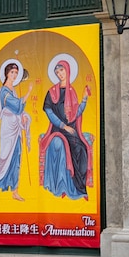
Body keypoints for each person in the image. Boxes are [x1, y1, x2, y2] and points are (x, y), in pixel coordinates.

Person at [39, 57, 93, 200]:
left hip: (71, 129)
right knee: (70, 147)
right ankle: (64, 187)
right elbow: (49, 112)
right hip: (58, 129)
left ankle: (80, 189)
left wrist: (84, 99)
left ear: (67, 71)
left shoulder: (72, 91)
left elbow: (76, 113)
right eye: (57, 71)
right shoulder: (51, 92)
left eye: (61, 70)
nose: (60, 73)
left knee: (82, 149)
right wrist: (64, 126)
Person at [0, 61, 32, 205]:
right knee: (4, 157)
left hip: (16, 127)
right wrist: (28, 93)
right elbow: (16, 106)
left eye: (16, 73)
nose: (14, 75)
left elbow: (19, 110)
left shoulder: (13, 90)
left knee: (16, 158)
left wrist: (23, 116)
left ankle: (15, 190)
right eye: (12, 72)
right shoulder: (4, 91)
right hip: (8, 128)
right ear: (6, 73)